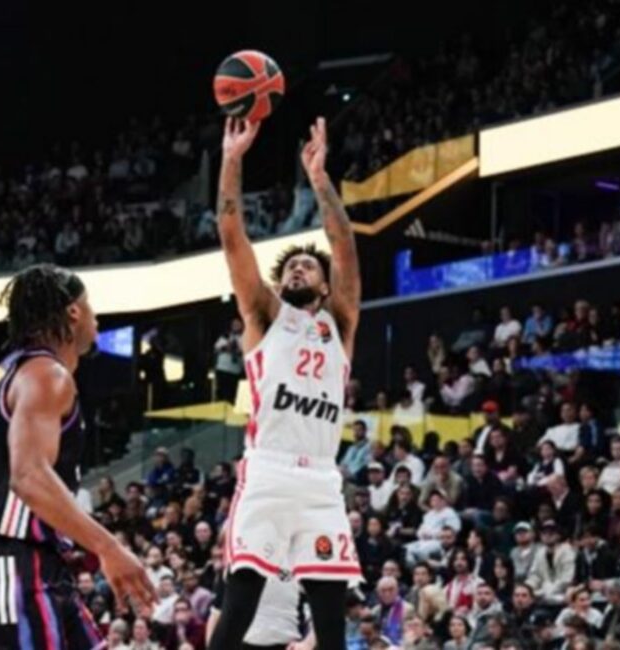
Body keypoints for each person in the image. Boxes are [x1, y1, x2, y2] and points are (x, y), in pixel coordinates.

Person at [209, 117, 362, 650]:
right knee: (239, 603)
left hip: (321, 479)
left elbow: (344, 245)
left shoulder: (340, 323)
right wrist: (232, 159)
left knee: (331, 623)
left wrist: (319, 179)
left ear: (325, 286)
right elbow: (232, 237)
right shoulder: (264, 315)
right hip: (268, 471)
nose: (298, 269)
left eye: (307, 266)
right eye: (290, 266)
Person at [0, 265, 156, 650]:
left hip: (42, 565)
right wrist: (109, 547)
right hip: (12, 566)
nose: (96, 315)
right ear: (74, 312)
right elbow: (28, 476)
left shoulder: (12, 373)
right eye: (90, 304)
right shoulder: (46, 375)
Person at [214, 317, 245, 402]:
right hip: (223, 368)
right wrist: (227, 347)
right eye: (234, 324)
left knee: (232, 394)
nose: (236, 326)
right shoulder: (225, 336)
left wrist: (237, 350)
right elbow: (216, 348)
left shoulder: (245, 337)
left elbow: (245, 351)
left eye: (238, 324)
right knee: (221, 392)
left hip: (235, 370)